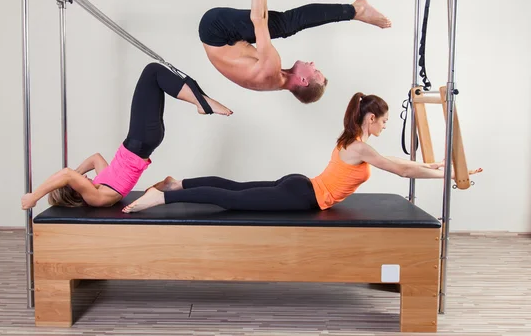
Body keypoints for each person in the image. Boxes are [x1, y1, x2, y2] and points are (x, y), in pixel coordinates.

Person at [122, 92, 482, 213]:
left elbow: (400, 164)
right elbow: (400, 171)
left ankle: (178, 182)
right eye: (384, 120)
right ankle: (162, 197)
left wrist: (432, 163)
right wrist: (450, 175)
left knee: (233, 187)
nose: (386, 125)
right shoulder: (359, 146)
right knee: (230, 198)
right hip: (300, 195)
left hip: (298, 185)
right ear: (370, 118)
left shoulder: (355, 140)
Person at [20, 63, 232, 210]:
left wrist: (76, 174)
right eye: (77, 181)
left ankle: (201, 101)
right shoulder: (95, 198)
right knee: (152, 72)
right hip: (140, 140)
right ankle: (202, 103)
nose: (82, 177)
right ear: (75, 190)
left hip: (144, 140)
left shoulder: (102, 184)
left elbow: (95, 158)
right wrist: (34, 196)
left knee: (155, 76)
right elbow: (66, 174)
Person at [198, 0, 392, 104]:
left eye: (315, 71)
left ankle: (356, 10)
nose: (314, 64)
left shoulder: (271, 69)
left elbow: (258, 19)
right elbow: (258, 26)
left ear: (303, 80)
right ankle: (355, 11)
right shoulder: (274, 80)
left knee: (285, 24)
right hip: (224, 38)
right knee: (282, 27)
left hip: (215, 28)